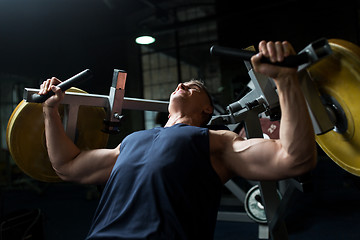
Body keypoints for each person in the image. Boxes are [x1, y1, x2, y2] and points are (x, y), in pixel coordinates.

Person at [39, 40, 317, 239]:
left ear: (208, 109)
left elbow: (294, 159)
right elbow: (67, 165)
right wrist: (50, 111)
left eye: (194, 87)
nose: (182, 84)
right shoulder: (132, 141)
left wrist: (286, 81)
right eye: (180, 84)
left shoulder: (216, 141)